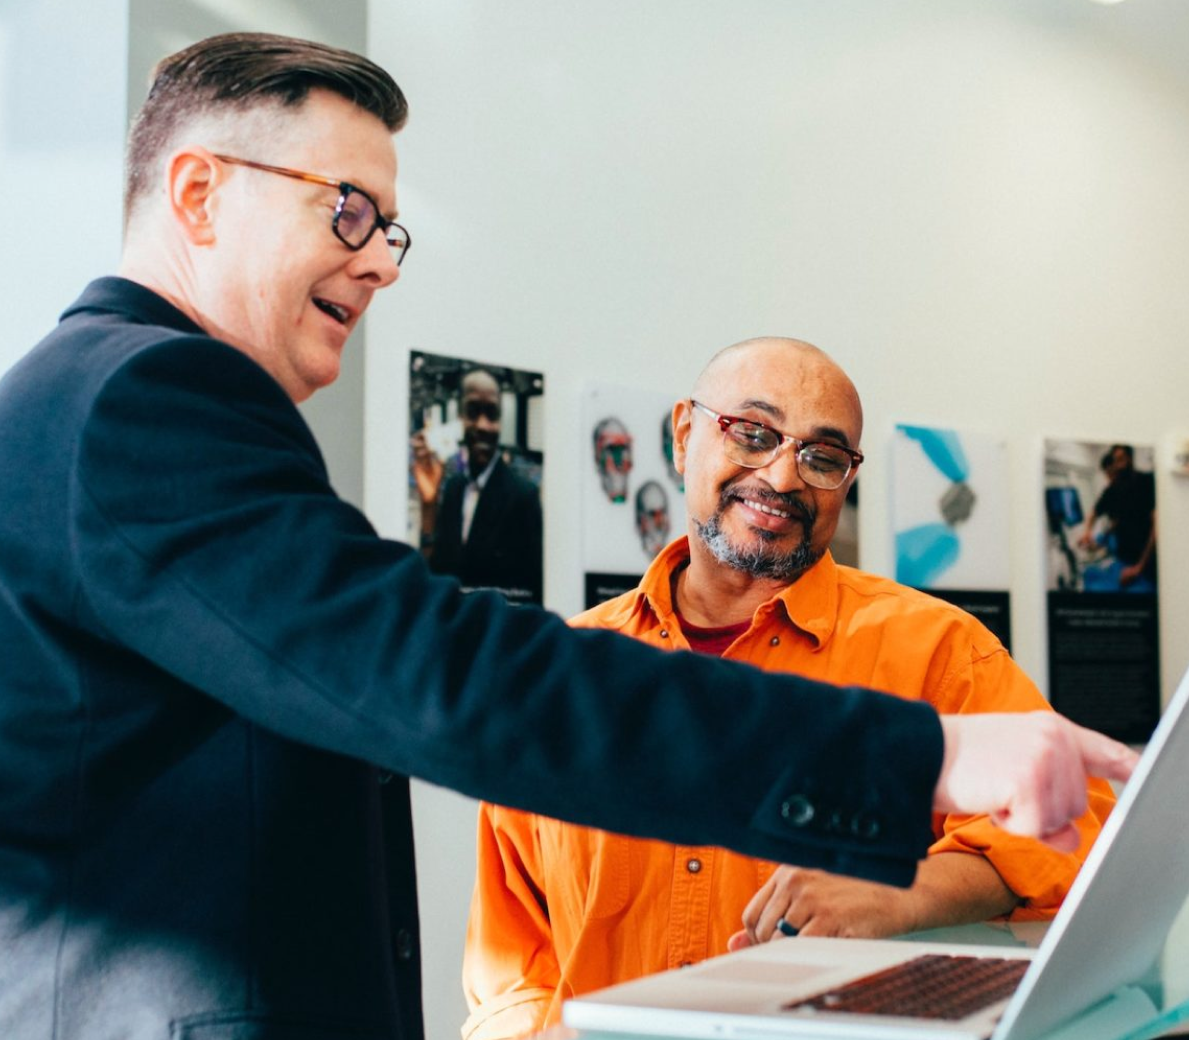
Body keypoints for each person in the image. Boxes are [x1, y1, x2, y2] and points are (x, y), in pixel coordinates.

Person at [0, 35, 1136, 1040]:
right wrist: (919, 757)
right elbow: (447, 675)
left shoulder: (108, 403)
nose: (380, 263)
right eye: (348, 211)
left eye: (390, 226)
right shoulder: (144, 401)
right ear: (198, 192)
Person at [462, 338, 1119, 1039]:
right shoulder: (567, 673)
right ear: (685, 436)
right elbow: (512, 967)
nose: (781, 477)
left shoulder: (937, 650)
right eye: (753, 433)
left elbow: (1083, 825)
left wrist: (906, 892)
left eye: (823, 456)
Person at [411, 368, 544, 603]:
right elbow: (435, 576)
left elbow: (531, 595)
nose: (482, 425)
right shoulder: (453, 488)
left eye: (491, 414)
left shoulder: (523, 496)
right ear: (460, 417)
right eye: (473, 412)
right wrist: (428, 506)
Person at [1079, 443, 1157, 591]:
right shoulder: (1113, 489)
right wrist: (1087, 532)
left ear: (1130, 458)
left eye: (1122, 459)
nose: (1118, 466)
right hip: (1123, 560)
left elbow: (1157, 527)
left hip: (1145, 565)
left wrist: (1139, 568)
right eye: (1116, 460)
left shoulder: (1146, 481)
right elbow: (1095, 512)